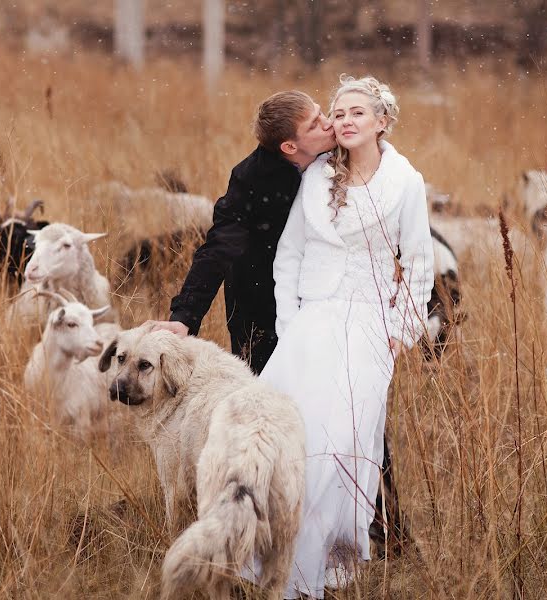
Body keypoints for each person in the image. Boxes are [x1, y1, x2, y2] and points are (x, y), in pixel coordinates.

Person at [258, 75, 434, 598]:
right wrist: (288, 322)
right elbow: (289, 254)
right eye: (339, 113)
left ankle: (330, 556)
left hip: (368, 326)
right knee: (293, 437)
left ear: (382, 122)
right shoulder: (316, 177)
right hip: (310, 323)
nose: (346, 120)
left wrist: (401, 331)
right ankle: (275, 550)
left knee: (347, 441)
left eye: (359, 112)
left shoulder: (406, 182)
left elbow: (419, 263)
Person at [147, 90, 335, 374]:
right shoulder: (251, 179)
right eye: (314, 124)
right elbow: (219, 246)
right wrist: (184, 316)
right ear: (290, 147)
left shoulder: (343, 152)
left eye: (321, 112)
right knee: (266, 388)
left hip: (322, 291)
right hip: (260, 302)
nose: (328, 122)